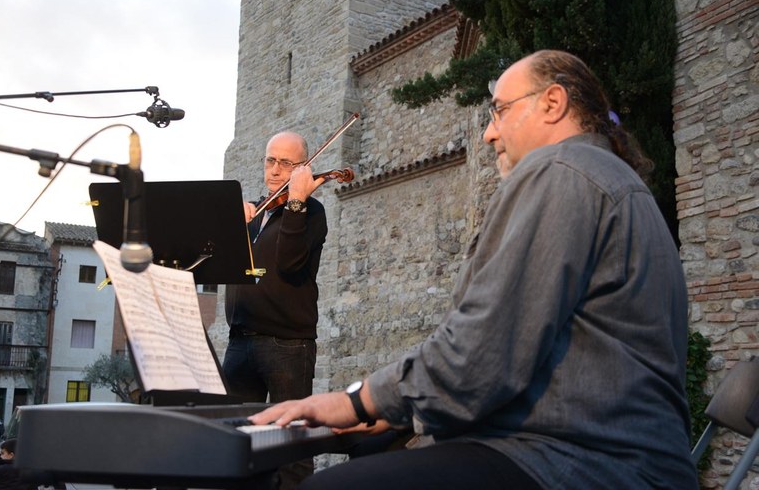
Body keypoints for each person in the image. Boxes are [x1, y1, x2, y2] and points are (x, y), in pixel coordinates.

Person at [249, 50, 699, 490]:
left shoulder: (561, 172)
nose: (488, 133)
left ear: (553, 103)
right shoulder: (610, 179)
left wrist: (356, 400)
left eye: (500, 111)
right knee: (377, 449)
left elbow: (482, 353)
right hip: (603, 455)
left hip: (579, 461)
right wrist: (401, 410)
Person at [223, 131, 328, 488]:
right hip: (239, 340)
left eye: (286, 163)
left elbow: (289, 263)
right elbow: (219, 266)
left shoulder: (311, 212)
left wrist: (297, 201)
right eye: (271, 160)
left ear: (303, 168)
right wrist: (229, 230)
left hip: (287, 345)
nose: (275, 170)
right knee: (234, 444)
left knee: (292, 450)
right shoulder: (252, 213)